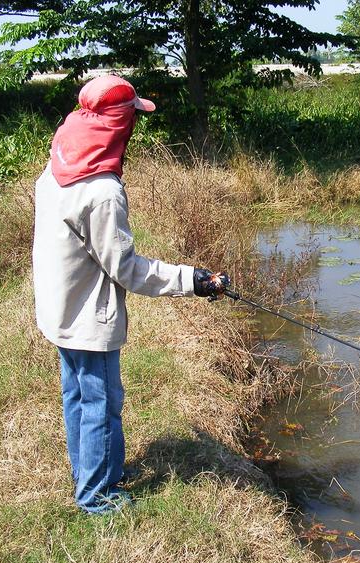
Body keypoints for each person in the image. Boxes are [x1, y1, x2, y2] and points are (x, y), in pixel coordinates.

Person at [32, 75, 228, 514]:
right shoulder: (102, 192)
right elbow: (127, 270)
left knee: (79, 395)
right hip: (86, 317)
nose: (135, 127)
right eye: (133, 117)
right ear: (120, 123)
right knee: (101, 402)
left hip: (58, 307)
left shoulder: (59, 160)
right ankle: (98, 497)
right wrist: (192, 280)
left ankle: (91, 472)